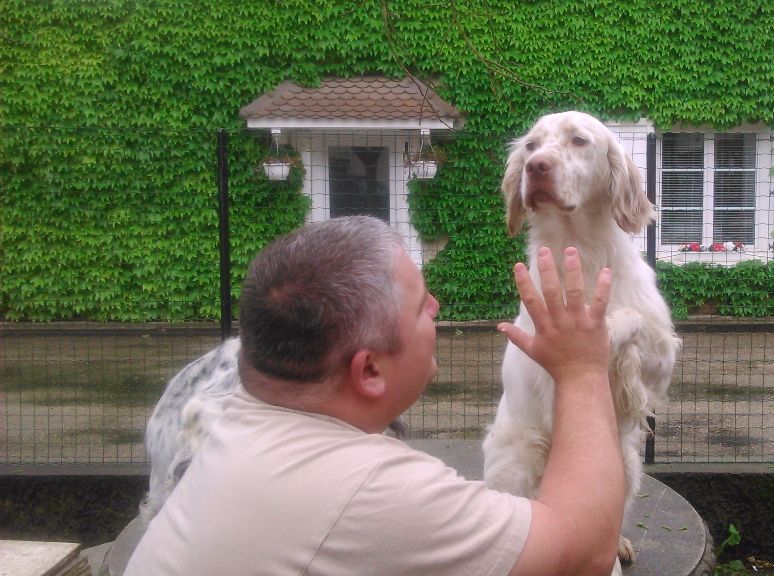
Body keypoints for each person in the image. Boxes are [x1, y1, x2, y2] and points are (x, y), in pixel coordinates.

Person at [125, 215, 624, 576]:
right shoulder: (373, 493)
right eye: (418, 306)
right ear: (369, 370)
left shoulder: (232, 426)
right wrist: (581, 369)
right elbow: (584, 551)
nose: (436, 305)